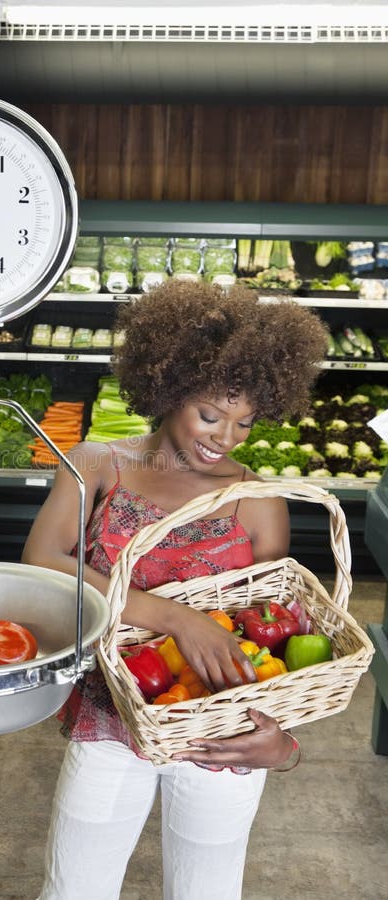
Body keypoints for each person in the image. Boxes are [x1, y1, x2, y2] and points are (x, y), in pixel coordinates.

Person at [22, 279, 329, 900]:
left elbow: (282, 630)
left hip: (225, 723)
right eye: (210, 414)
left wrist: (282, 738)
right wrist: (175, 619)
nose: (224, 437)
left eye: (244, 423)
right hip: (112, 717)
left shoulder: (257, 499)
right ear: (168, 389)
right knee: (73, 889)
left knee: (207, 891)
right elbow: (43, 560)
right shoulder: (97, 463)